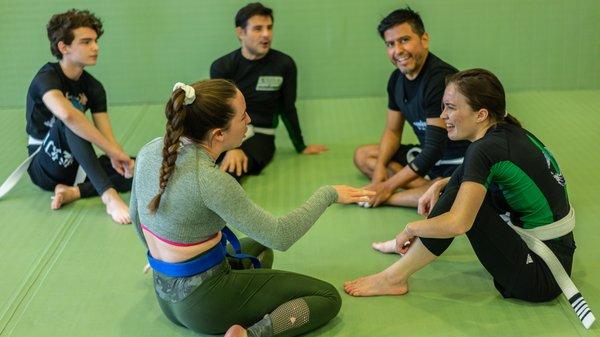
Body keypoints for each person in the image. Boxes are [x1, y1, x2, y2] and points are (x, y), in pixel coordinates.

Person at [344, 69, 593, 327]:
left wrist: (411, 228)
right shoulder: (507, 132)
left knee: (457, 205)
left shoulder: (484, 149)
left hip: (541, 277)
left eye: (451, 108)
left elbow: (459, 224)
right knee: (455, 187)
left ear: (481, 114)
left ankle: (393, 278)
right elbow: (471, 175)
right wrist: (438, 183)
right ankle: (402, 266)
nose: (443, 116)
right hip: (554, 252)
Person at [130, 79, 374, 336]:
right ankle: (251, 334)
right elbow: (280, 236)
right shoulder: (211, 180)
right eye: (242, 116)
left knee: (259, 249)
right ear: (218, 134)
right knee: (326, 297)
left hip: (165, 294)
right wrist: (329, 194)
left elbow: (137, 216)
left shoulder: (151, 149)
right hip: (203, 306)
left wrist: (162, 260)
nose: (249, 120)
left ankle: (234, 306)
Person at [24, 9, 134, 224]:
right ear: (63, 47)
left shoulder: (94, 87)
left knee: (139, 170)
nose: (95, 47)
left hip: (80, 164)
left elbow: (106, 136)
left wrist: (120, 157)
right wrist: (114, 152)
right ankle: (108, 196)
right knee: (71, 121)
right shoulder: (46, 78)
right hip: (45, 164)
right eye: (86, 42)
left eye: (95, 41)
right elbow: (68, 115)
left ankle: (74, 192)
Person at [353, 7, 469, 208]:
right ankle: (428, 188)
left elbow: (434, 149)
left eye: (404, 40)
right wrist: (380, 167)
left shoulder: (440, 79)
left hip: (457, 159)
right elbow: (392, 130)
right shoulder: (396, 79)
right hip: (428, 160)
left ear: (424, 39)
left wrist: (386, 187)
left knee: (452, 194)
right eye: (390, 44)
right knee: (364, 156)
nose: (397, 51)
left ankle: (410, 194)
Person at [210, 2, 327, 179]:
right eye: (258, 29)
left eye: (269, 28)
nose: (266, 34)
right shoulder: (222, 66)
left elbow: (288, 108)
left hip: (261, 135)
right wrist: (233, 146)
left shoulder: (284, 64)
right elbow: (218, 113)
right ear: (241, 33)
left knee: (232, 168)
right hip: (225, 133)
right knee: (193, 161)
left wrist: (300, 146)